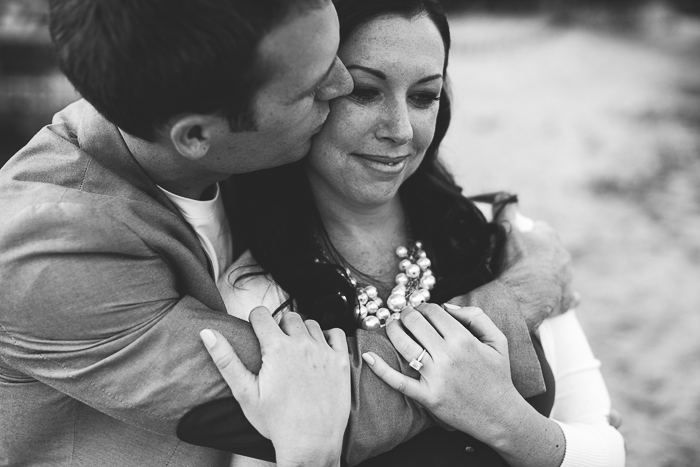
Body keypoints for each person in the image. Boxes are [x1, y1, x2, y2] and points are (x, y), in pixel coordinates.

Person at [0, 0, 573, 466]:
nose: (341, 82)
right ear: (198, 135)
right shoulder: (48, 249)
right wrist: (522, 300)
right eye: (316, 84)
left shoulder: (222, 146)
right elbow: (326, 405)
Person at [209, 0, 625, 465]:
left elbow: (607, 446)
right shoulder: (256, 301)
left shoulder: (506, 237)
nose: (401, 130)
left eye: (424, 96)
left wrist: (508, 422)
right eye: (365, 91)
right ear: (304, 98)